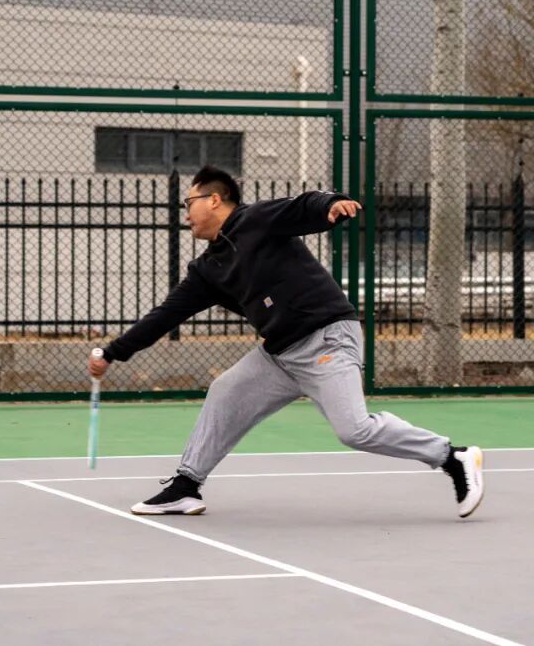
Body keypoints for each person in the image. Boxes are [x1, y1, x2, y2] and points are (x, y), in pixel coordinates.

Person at [88, 165, 483, 518]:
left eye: (188, 203)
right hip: (280, 354)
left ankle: (452, 457)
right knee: (226, 390)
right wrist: (112, 352)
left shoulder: (255, 220)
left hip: (326, 338)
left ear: (214, 199)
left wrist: (331, 204)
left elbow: (304, 205)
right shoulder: (209, 269)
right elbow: (165, 315)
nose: (185, 214)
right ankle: (185, 487)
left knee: (354, 430)